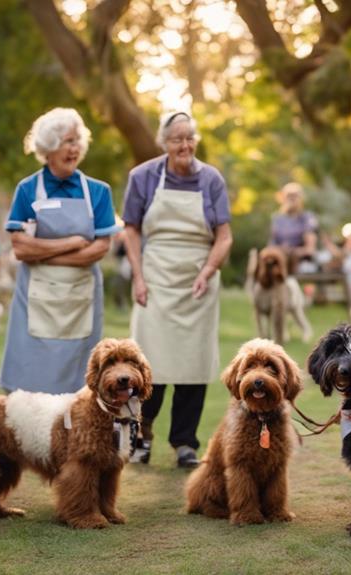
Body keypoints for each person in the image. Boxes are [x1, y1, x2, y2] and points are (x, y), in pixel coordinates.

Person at [124, 111, 233, 468]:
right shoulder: (142, 177)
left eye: (190, 138)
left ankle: (185, 443)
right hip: (155, 279)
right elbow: (132, 230)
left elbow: (224, 236)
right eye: (176, 139)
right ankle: (141, 435)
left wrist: (208, 270)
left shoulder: (211, 179)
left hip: (198, 281)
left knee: (193, 364)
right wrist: (138, 277)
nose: (185, 145)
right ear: (164, 143)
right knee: (148, 363)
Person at [0, 108, 119, 394]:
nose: (74, 148)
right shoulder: (27, 189)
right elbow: (20, 247)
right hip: (36, 295)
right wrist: (71, 243)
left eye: (77, 141)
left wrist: (44, 254)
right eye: (67, 141)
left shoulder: (98, 191)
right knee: (30, 375)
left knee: (79, 381)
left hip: (81, 297)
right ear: (49, 147)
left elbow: (100, 248)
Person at [269, 182, 318, 273]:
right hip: (279, 258)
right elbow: (272, 244)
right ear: (283, 197)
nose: (292, 198)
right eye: (289, 195)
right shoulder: (277, 219)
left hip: (301, 261)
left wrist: (292, 251)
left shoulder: (307, 218)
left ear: (301, 198)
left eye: (295, 195)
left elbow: (310, 249)